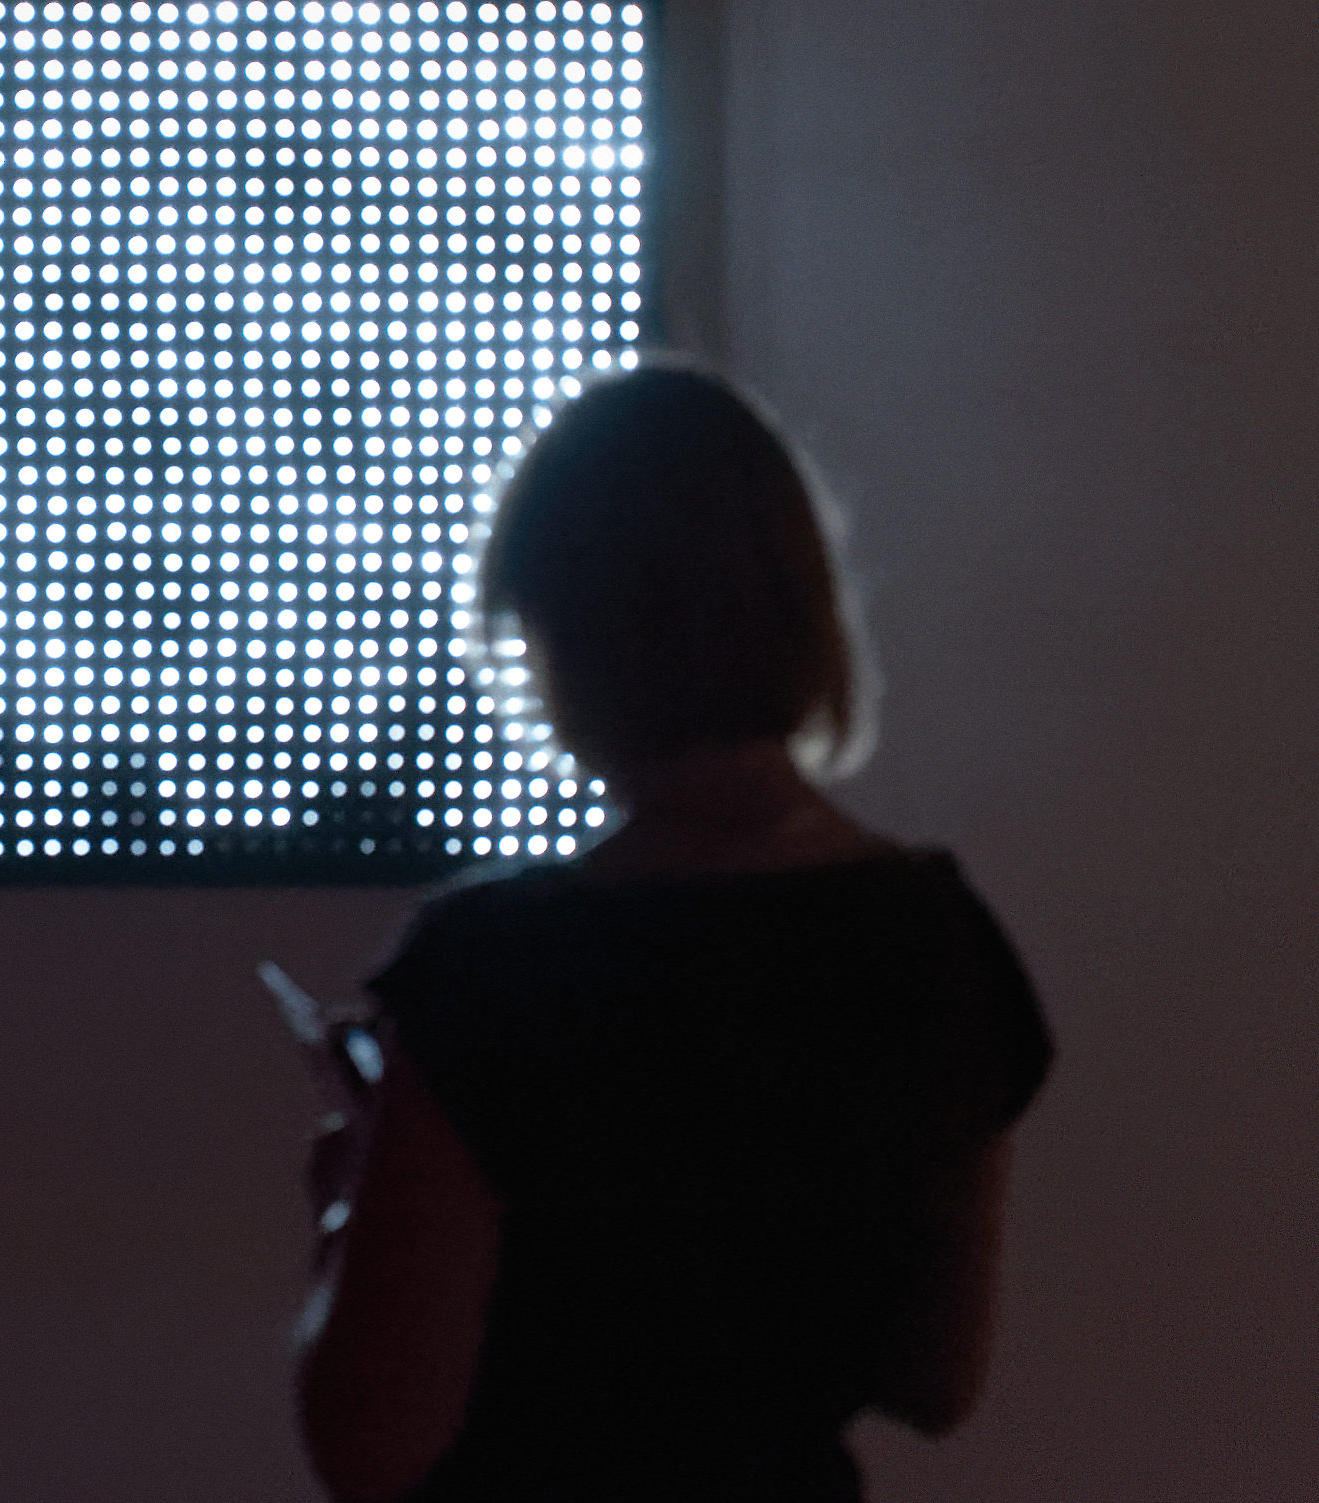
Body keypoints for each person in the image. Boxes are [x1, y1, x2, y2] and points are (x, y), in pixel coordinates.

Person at [291, 362, 1056, 1503]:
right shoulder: (937, 945)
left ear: (559, 630)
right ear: (802, 613)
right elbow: (936, 1380)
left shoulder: (491, 973)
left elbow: (369, 1443)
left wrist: (349, 1213)